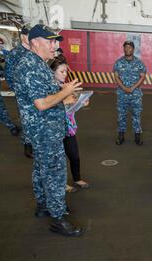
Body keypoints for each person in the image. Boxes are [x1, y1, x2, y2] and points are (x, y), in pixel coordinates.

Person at [14, 24, 84, 237]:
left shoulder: (38, 64)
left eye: (55, 41)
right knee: (55, 172)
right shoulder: (31, 66)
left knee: (41, 168)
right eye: (50, 41)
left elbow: (45, 96)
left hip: (44, 129)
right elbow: (42, 103)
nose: (54, 45)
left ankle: (43, 205)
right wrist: (66, 92)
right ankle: (58, 218)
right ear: (35, 43)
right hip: (44, 130)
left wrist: (61, 92)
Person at [50, 56, 90, 192]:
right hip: (54, 130)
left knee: (74, 156)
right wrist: (64, 101)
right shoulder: (47, 88)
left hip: (68, 128)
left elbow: (75, 101)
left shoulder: (66, 86)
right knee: (59, 160)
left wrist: (81, 101)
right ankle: (62, 184)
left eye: (66, 71)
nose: (65, 74)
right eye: (61, 71)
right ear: (52, 72)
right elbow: (45, 106)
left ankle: (77, 178)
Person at [5, 25, 34, 158]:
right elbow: (9, 76)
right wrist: (19, 92)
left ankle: (35, 143)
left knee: (36, 119)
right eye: (29, 35)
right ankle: (27, 146)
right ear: (23, 36)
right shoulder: (15, 53)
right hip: (24, 95)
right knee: (26, 119)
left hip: (36, 92)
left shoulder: (35, 52)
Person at [113, 40, 147, 145]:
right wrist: (124, 88)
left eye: (130, 47)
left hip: (135, 95)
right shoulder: (118, 62)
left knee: (136, 116)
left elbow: (142, 77)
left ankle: (137, 137)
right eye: (126, 47)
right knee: (121, 116)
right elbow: (116, 77)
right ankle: (121, 137)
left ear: (133, 49)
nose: (127, 49)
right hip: (122, 94)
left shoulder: (139, 63)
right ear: (124, 49)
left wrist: (132, 88)